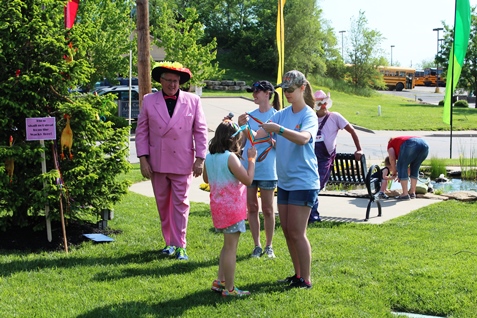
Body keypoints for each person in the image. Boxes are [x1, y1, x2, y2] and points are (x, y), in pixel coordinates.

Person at [244, 70, 319, 289]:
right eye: (284, 89)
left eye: (291, 89)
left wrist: (279, 130)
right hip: (285, 181)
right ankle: (297, 275)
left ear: (303, 88)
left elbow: (304, 138)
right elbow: (259, 134)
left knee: (297, 232)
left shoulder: (308, 115)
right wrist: (243, 127)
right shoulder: (282, 113)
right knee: (287, 231)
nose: (286, 93)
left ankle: (306, 279)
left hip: (303, 181)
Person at [135, 61, 208, 261]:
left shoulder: (193, 100)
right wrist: (143, 159)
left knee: (181, 204)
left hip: (182, 161)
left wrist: (200, 158)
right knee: (163, 205)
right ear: (161, 80)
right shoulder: (149, 100)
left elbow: (200, 131)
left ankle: (180, 245)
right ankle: (169, 243)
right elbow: (141, 132)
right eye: (169, 80)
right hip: (157, 162)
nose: (173, 85)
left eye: (176, 81)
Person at [203, 119, 257, 297]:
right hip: (233, 210)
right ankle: (230, 289)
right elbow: (248, 180)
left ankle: (220, 281)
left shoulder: (209, 157)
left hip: (218, 209)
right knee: (231, 249)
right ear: (233, 139)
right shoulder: (230, 157)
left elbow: (205, 179)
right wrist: (251, 160)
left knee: (227, 247)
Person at [308, 90, 363, 224]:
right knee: (309, 185)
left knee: (315, 186)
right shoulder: (311, 118)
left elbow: (352, 131)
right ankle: (310, 215)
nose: (323, 106)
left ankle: (312, 216)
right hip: (310, 157)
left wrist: (359, 149)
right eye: (320, 103)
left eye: (325, 103)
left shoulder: (335, 117)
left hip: (325, 158)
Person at [240, 81, 280, 258]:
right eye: (253, 92)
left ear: (267, 93)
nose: (254, 95)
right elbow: (241, 142)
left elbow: (285, 145)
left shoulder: (277, 116)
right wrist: (240, 127)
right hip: (249, 166)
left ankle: (269, 246)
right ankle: (257, 245)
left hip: (268, 168)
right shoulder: (249, 116)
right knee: (252, 208)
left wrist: (274, 142)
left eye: (257, 91)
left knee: (269, 209)